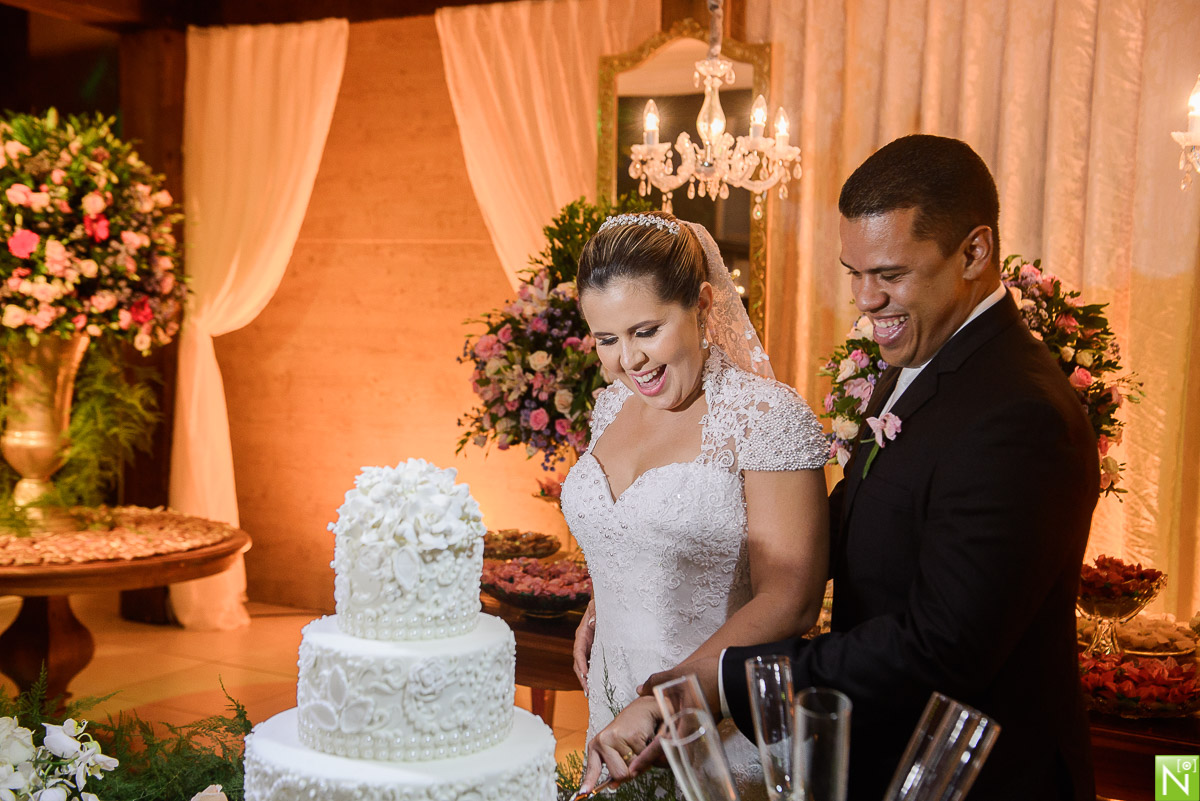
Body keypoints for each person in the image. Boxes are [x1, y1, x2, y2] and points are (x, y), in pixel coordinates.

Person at [623, 136, 1099, 801]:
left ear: (975, 252)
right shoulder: (924, 363)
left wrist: (730, 679)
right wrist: (669, 563)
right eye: (855, 272)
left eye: (890, 274)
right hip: (888, 757)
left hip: (980, 779)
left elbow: (939, 650)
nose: (866, 300)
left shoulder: (1020, 413)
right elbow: (855, 519)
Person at [562, 211, 831, 798]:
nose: (628, 361)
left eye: (645, 331)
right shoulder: (609, 409)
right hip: (611, 709)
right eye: (607, 339)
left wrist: (669, 701)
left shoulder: (766, 418)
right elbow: (633, 534)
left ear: (703, 305)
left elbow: (791, 598)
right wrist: (602, 600)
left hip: (722, 727)